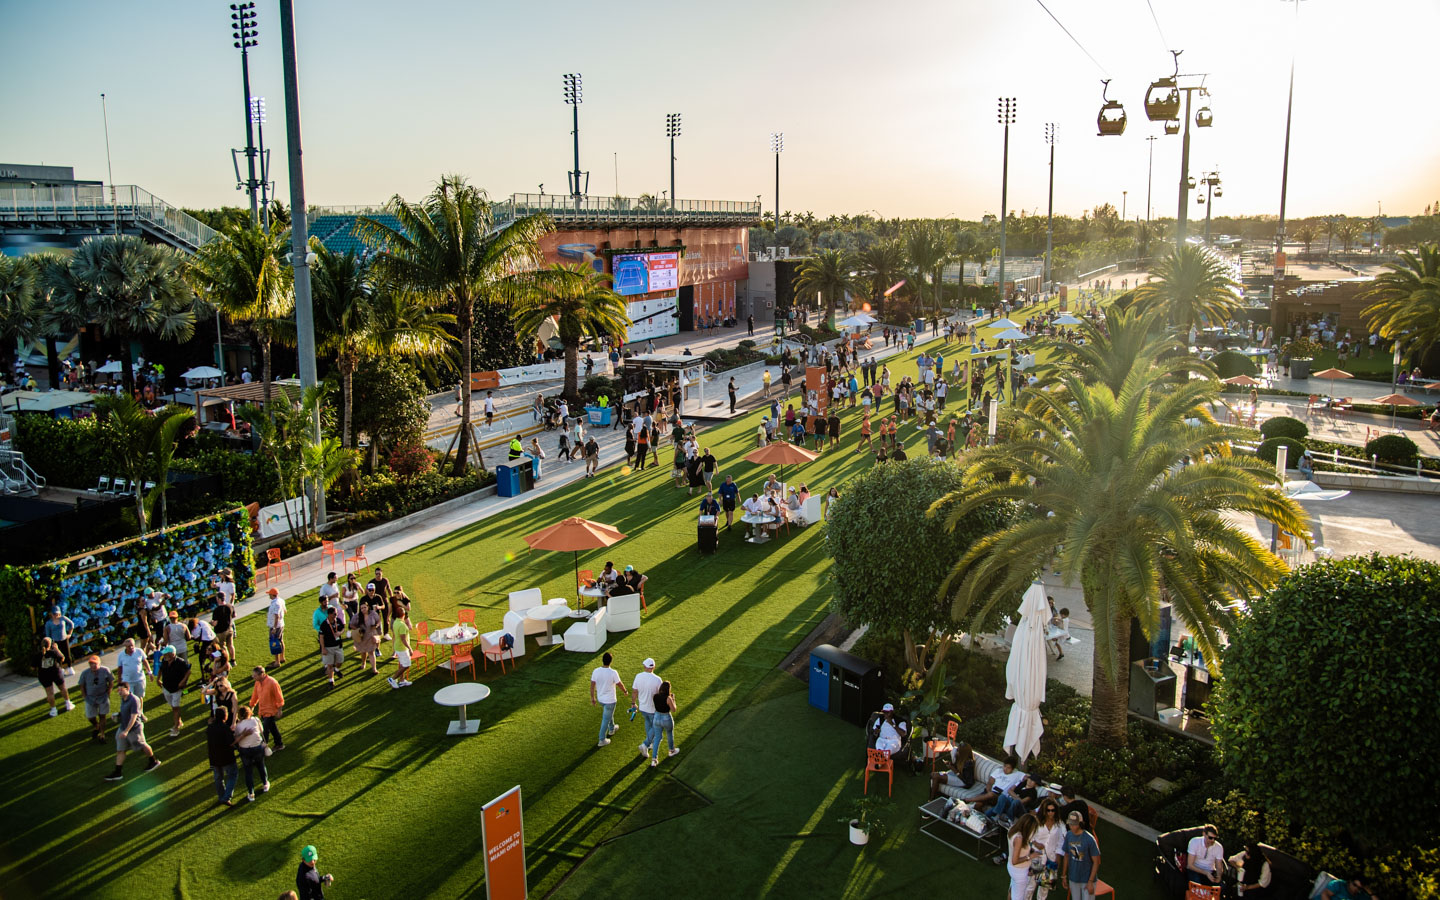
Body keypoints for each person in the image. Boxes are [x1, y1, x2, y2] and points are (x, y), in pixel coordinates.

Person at [103, 681, 161, 781]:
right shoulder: (124, 699)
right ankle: (118, 772)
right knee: (121, 750)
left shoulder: (134, 700)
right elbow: (125, 712)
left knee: (142, 745)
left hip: (134, 729)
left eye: (121, 690)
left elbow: (134, 716)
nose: (119, 692)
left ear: (127, 689)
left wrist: (126, 731)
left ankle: (153, 761)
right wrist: (118, 715)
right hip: (123, 727)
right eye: (118, 690)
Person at [590, 651, 629, 747]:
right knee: (605, 719)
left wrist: (593, 698)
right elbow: (619, 684)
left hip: (601, 699)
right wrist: (625, 691)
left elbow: (592, 686)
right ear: (611, 661)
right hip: (610, 700)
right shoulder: (613, 673)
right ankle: (601, 739)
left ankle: (612, 728)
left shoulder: (596, 671)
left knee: (608, 714)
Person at [1061, 810, 1102, 900]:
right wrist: (1063, 875)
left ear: (1080, 824)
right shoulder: (1068, 835)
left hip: (1087, 879)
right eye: (1070, 824)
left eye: (1074, 824)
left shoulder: (1090, 839)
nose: (1071, 826)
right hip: (1073, 877)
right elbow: (1066, 855)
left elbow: (1096, 862)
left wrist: (1091, 881)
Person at [973, 755, 1027, 821]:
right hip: (990, 792)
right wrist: (988, 791)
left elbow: (1028, 778)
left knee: (992, 795)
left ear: (1012, 769)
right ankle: (980, 820)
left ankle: (968, 800)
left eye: (1008, 768)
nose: (1005, 769)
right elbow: (990, 783)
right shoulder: (998, 771)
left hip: (999, 796)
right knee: (977, 805)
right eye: (1004, 766)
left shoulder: (1018, 774)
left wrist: (1019, 785)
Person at [233, 705, 269, 802]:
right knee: (261, 766)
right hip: (257, 746)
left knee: (248, 772)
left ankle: (251, 793)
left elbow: (236, 737)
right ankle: (265, 784)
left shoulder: (238, 725)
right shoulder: (255, 720)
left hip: (244, 749)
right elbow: (262, 730)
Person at [632, 658, 663, 758]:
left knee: (648, 724)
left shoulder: (638, 676)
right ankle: (646, 744)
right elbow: (661, 694)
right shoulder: (658, 679)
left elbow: (634, 691)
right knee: (656, 726)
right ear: (653, 667)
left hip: (643, 707)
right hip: (653, 708)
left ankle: (650, 743)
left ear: (645, 667)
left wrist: (633, 703)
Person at [250, 665, 286, 751]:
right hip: (262, 710)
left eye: (255, 676)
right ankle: (279, 744)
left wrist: (279, 710)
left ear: (261, 674)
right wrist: (252, 706)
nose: (253, 677)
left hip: (270, 711)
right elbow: (255, 695)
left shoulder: (272, 682)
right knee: (272, 728)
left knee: (264, 730)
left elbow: (279, 697)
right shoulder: (257, 683)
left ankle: (262, 748)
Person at [78, 654, 114, 741]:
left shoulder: (105, 670)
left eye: (95, 663)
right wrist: (84, 696)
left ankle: (102, 734)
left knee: (102, 715)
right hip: (90, 698)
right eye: (91, 664)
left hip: (103, 696)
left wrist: (108, 692)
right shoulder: (85, 673)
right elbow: (82, 685)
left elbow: (111, 681)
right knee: (90, 716)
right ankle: (96, 725)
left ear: (99, 663)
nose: (93, 665)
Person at [157, 645, 191, 736]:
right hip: (166, 687)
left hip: (176, 689)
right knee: (173, 706)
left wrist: (183, 682)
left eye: (166, 654)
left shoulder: (181, 662)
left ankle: (176, 727)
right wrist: (158, 679)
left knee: (175, 707)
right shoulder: (164, 661)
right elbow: (160, 669)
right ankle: (179, 721)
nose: (164, 655)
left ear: (172, 654)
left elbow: (188, 671)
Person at [207, 711, 239, 807]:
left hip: (214, 757)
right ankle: (226, 797)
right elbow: (231, 743)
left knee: (218, 778)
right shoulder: (225, 728)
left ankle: (221, 797)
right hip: (226, 757)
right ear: (225, 716)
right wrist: (241, 736)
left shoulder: (210, 728)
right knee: (232, 775)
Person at [36, 637, 73, 717]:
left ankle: (53, 710)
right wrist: (57, 649)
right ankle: (68, 703)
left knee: (49, 693)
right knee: (62, 688)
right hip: (56, 673)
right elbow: (62, 658)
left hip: (44, 675)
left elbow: (32, 666)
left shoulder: (38, 654)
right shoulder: (54, 652)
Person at [1007, 813, 1041, 900]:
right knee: (1018, 897)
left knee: (1012, 890)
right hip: (1019, 871)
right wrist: (1030, 857)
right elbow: (1015, 860)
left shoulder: (1012, 830)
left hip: (1012, 868)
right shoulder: (1019, 838)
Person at [649, 679, 679, 766]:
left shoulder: (655, 696)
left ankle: (654, 759)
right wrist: (673, 699)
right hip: (666, 718)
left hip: (657, 717)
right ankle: (671, 750)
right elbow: (674, 709)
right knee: (669, 734)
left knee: (657, 738)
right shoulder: (668, 698)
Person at [43, 607, 76, 675]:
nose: (56, 615)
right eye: (54, 614)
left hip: (64, 639)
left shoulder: (63, 618)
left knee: (67, 654)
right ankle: (61, 669)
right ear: (51, 614)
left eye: (58, 614)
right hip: (55, 642)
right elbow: (48, 634)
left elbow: (71, 624)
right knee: (58, 656)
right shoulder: (49, 623)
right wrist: (51, 644)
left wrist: (69, 634)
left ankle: (69, 667)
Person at [389, 608, 414, 688]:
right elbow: (403, 639)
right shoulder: (402, 625)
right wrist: (410, 648)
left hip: (398, 647)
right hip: (402, 648)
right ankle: (392, 679)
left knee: (402, 663)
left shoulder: (396, 622)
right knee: (407, 664)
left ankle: (402, 680)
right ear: (403, 615)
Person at [320, 607, 344, 688]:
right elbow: (321, 637)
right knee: (330, 665)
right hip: (328, 647)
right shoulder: (324, 624)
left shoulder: (338, 621)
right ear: (329, 614)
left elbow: (343, 628)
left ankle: (336, 669)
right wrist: (323, 648)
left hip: (338, 646)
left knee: (340, 662)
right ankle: (331, 681)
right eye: (335, 614)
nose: (336, 615)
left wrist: (340, 633)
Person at [212, 591, 237, 664]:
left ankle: (226, 661)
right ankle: (233, 660)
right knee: (231, 645)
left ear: (218, 599)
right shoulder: (230, 606)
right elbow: (234, 615)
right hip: (229, 629)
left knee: (223, 647)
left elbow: (215, 623)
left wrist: (211, 622)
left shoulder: (216, 610)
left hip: (221, 631)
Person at [266, 587, 287, 667]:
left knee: (274, 642)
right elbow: (285, 611)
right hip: (281, 624)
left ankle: (277, 662)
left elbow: (277, 616)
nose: (269, 596)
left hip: (276, 626)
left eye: (270, 594)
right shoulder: (281, 601)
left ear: (272, 595)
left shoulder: (276, 603)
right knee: (280, 641)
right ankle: (282, 658)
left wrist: (274, 628)